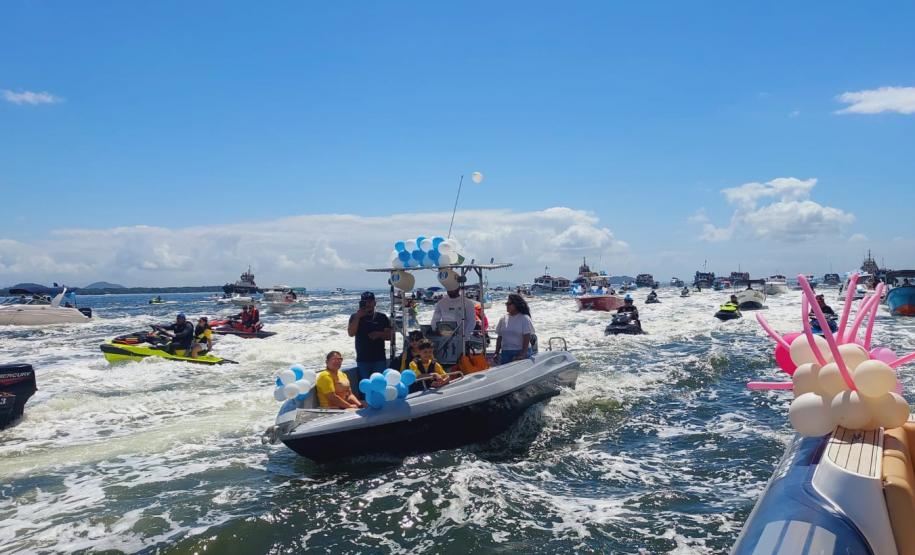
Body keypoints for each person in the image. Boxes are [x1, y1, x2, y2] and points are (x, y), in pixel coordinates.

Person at [347, 292, 393, 381]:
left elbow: (390, 336)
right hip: (362, 359)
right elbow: (351, 333)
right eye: (365, 302)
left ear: (375, 303)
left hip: (379, 358)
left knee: (380, 383)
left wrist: (379, 334)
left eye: (370, 302)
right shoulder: (355, 317)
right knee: (366, 386)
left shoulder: (382, 317)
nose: (367, 304)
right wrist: (357, 317)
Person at [494, 294, 535, 364]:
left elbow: (527, 337)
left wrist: (523, 354)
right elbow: (500, 337)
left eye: (509, 304)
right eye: (506, 304)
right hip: (505, 352)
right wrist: (496, 352)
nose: (506, 305)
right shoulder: (503, 319)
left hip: (520, 351)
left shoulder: (524, 318)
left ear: (516, 305)